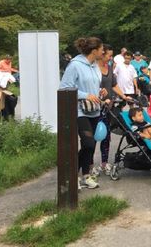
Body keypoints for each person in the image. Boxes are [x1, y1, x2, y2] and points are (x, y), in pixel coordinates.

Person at [59, 37, 106, 189]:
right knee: (88, 143)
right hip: (80, 111)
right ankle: (72, 177)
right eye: (101, 49)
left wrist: (100, 91)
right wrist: (86, 95)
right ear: (94, 51)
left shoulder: (95, 66)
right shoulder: (75, 65)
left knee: (91, 147)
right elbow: (65, 88)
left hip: (95, 110)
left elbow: (92, 86)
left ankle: (85, 176)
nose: (103, 51)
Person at [93, 44, 130, 176]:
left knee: (106, 136)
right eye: (109, 55)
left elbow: (114, 85)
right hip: (95, 108)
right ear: (102, 54)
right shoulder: (93, 68)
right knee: (93, 138)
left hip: (108, 108)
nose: (111, 58)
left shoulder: (109, 68)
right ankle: (91, 166)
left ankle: (104, 163)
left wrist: (124, 96)